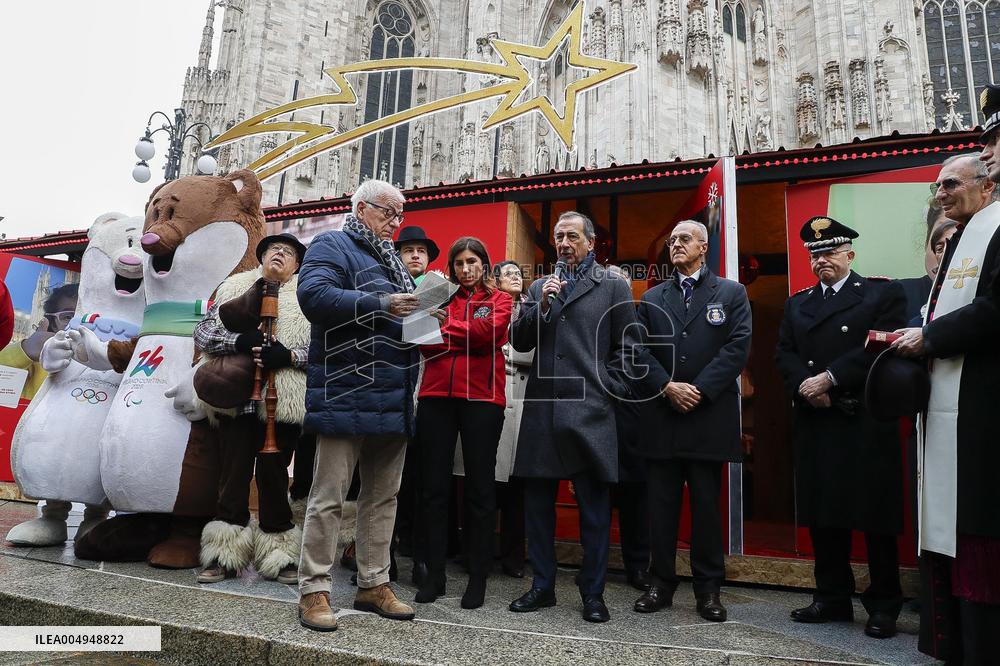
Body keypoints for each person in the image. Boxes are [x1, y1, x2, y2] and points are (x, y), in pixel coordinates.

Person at [507, 211, 647, 623]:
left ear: (590, 242)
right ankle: (542, 587)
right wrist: (541, 304)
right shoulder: (538, 286)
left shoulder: (613, 285)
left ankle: (593, 593)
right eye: (558, 236)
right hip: (542, 412)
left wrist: (611, 387)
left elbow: (632, 347)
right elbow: (519, 339)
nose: (564, 243)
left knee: (594, 509)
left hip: (590, 412)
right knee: (538, 506)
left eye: (572, 236)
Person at [295, 179, 420, 632]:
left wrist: (427, 318)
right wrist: (384, 302)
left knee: (383, 497)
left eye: (400, 215)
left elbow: (400, 322)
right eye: (389, 213)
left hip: (394, 391)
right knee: (328, 497)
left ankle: (373, 583)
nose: (396, 223)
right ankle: (314, 589)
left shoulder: (396, 263)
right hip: (347, 388)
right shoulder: (332, 242)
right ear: (363, 208)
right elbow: (315, 297)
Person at [775, 216, 907, 639]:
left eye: (831, 251)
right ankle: (831, 597)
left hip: (862, 417)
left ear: (850, 254)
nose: (822, 260)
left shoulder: (881, 293)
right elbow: (785, 353)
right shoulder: (798, 303)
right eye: (815, 253)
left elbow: (881, 344)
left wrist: (829, 377)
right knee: (823, 514)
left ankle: (884, 604)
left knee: (874, 518)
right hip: (817, 418)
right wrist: (805, 385)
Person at [893, 147, 1000, 661]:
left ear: (987, 186)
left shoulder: (994, 232)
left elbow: (994, 309)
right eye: (938, 186)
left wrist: (930, 337)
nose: (941, 194)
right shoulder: (963, 239)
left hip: (983, 410)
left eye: (951, 185)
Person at [631, 221, 751, 623]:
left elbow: (737, 347)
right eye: (672, 241)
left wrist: (696, 389)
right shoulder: (651, 297)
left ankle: (709, 589)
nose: (676, 245)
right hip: (663, 415)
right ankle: (659, 584)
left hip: (707, 414)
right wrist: (667, 386)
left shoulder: (731, 293)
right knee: (660, 506)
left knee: (705, 506)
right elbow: (637, 349)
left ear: (704, 246)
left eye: (684, 239)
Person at [193, 233, 309, 585]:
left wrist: (287, 355)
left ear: (297, 265)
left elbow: (324, 350)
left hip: (283, 401)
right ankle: (223, 555)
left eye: (288, 252)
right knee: (232, 474)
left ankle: (280, 555)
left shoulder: (308, 295)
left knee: (274, 475)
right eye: (273, 249)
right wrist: (239, 341)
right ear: (261, 257)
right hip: (237, 399)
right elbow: (202, 333)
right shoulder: (234, 287)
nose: (280, 254)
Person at [414, 237, 512, 609]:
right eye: (459, 264)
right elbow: (423, 342)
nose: (465, 269)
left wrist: (447, 327)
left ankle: (478, 577)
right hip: (436, 398)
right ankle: (435, 574)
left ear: (484, 264)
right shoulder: (438, 296)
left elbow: (489, 336)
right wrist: (460, 331)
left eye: (472, 261)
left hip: (483, 400)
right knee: (433, 490)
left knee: (480, 491)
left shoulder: (500, 299)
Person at [604, 264, 652, 593]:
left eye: (620, 284)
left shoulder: (643, 318)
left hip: (634, 419)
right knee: (598, 497)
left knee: (636, 498)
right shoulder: (589, 318)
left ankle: (638, 566)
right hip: (598, 417)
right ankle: (595, 564)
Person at [492, 259, 532, 578]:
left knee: (517, 488)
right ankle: (478, 551)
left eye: (519, 273)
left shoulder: (533, 309)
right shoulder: (488, 306)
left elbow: (530, 350)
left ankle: (513, 557)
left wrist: (508, 349)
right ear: (496, 280)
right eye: (509, 273)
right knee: (487, 482)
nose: (516, 277)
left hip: (526, 398)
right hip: (494, 395)